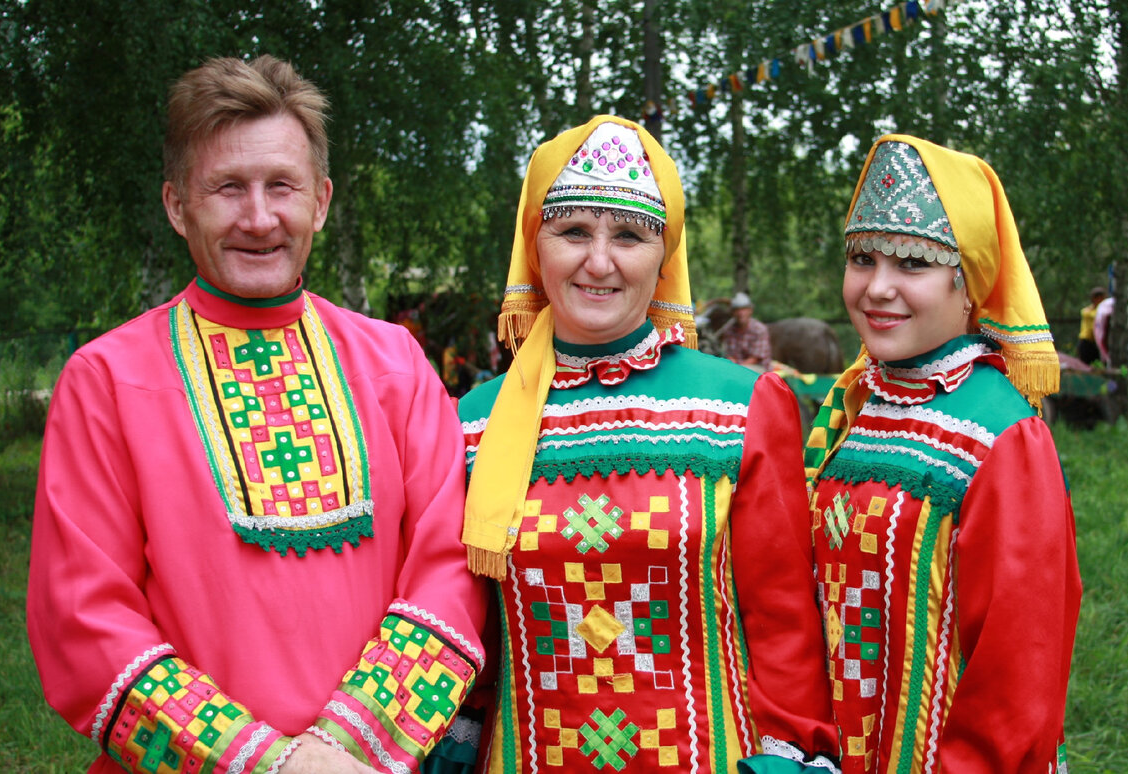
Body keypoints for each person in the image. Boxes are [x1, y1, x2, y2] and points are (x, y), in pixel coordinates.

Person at [27, 55, 486, 774]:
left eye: (282, 186)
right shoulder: (106, 382)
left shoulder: (396, 364)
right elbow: (85, 622)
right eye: (227, 188)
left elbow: (450, 567)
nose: (259, 217)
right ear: (177, 206)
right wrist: (269, 764)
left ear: (321, 202)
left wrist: (347, 747)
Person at [458, 115, 839, 772]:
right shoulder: (473, 421)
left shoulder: (743, 405)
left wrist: (790, 750)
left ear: (664, 256)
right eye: (574, 231)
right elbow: (470, 622)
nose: (599, 261)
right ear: (535, 245)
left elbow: (784, 617)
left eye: (629, 236)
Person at [802, 135, 1081, 772]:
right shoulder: (854, 405)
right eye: (862, 259)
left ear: (968, 286)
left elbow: (1018, 669)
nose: (877, 287)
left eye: (913, 263)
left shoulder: (1001, 434)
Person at [718, 291, 772, 369]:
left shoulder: (759, 329)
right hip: (738, 368)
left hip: (758, 368)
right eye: (737, 310)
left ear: (750, 310)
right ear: (733, 312)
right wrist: (731, 362)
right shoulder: (729, 329)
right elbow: (730, 355)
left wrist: (738, 369)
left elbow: (755, 359)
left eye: (743, 309)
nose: (740, 313)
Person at [1076, 286, 1107, 364]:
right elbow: (1095, 315)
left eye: (1102, 298)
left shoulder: (1103, 311)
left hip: (1098, 343)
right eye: (1098, 298)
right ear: (1093, 299)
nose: (1100, 301)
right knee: (1084, 365)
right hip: (1086, 342)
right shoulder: (1086, 312)